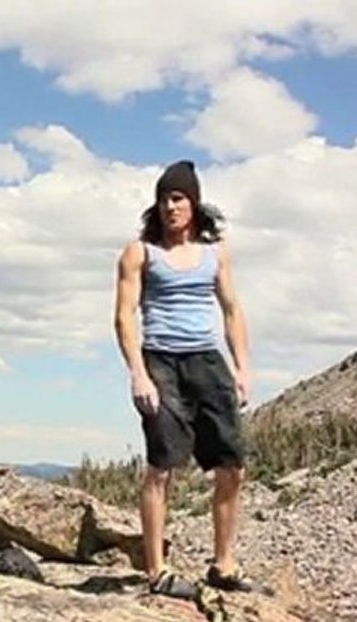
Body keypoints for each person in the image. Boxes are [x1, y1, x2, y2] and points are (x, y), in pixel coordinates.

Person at [114, 160, 261, 599]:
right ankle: (157, 571)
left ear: (193, 203)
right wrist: (138, 373)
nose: (170, 206)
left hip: (208, 363)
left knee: (232, 464)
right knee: (161, 466)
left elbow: (233, 310)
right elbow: (124, 316)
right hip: (161, 361)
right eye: (163, 199)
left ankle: (224, 562)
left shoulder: (216, 253)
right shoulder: (140, 252)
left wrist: (242, 367)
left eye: (177, 198)